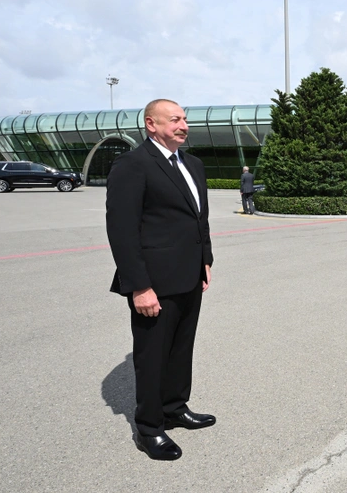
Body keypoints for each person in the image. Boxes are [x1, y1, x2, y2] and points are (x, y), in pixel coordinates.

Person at [106, 99, 215, 461]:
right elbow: (122, 231)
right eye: (175, 120)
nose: (184, 125)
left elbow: (200, 219)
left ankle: (174, 408)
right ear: (151, 124)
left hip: (189, 275)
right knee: (152, 356)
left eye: (185, 119)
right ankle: (150, 428)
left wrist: (205, 261)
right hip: (153, 281)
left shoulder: (193, 165)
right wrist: (139, 285)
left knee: (182, 349)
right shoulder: (133, 165)